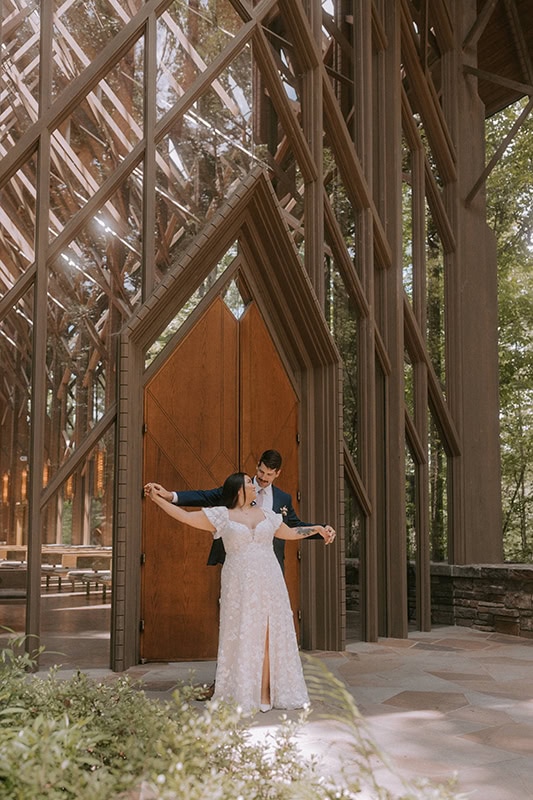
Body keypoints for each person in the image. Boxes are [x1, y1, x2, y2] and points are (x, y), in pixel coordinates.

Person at [144, 473, 335, 714]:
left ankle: (267, 692)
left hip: (270, 581)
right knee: (244, 633)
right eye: (248, 482)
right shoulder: (221, 516)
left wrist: (317, 530)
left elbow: (290, 533)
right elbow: (184, 516)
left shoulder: (268, 514)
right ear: (237, 490)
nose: (254, 485)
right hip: (239, 584)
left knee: (269, 634)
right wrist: (158, 499)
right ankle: (245, 692)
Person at [144, 449, 336, 571]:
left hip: (270, 566)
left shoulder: (282, 499)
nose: (262, 478)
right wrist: (170, 496)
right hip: (237, 565)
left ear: (278, 474)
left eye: (269, 474)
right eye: (261, 472)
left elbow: (294, 527)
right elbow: (204, 497)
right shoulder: (237, 487)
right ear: (257, 466)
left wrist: (321, 529)